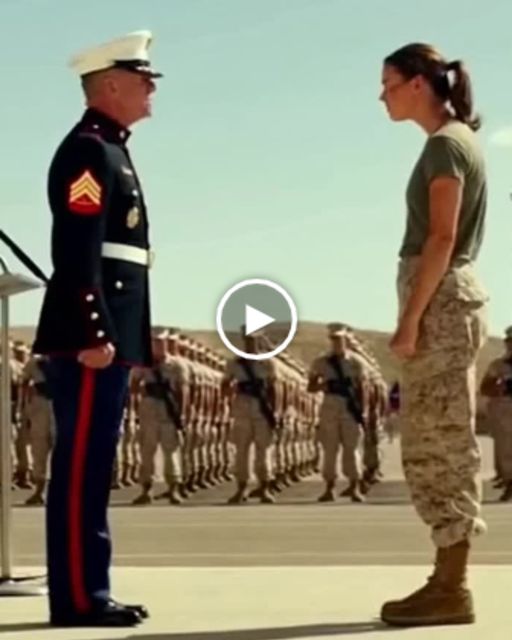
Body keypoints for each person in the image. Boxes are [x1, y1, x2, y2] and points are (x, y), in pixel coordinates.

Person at [32, 30, 162, 627]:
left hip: (111, 336)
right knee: (81, 467)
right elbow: (77, 250)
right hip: (91, 339)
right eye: (142, 80)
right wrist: (93, 332)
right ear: (110, 84)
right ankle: (80, 598)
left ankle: (89, 589)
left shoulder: (111, 149)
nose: (151, 89)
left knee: (93, 466)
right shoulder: (89, 150)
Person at [379, 43, 489, 626]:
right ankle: (448, 581)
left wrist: (410, 319)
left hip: (440, 304)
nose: (383, 96)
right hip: (444, 300)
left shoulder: (446, 145)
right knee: (434, 441)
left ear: (418, 84)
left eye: (390, 84)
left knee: (440, 446)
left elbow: (442, 237)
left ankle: (451, 587)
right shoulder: (451, 142)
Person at [480, 326, 512, 501]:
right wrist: (498, 388)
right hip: (505, 409)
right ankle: (510, 482)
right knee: (506, 448)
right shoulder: (498, 366)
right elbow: (485, 387)